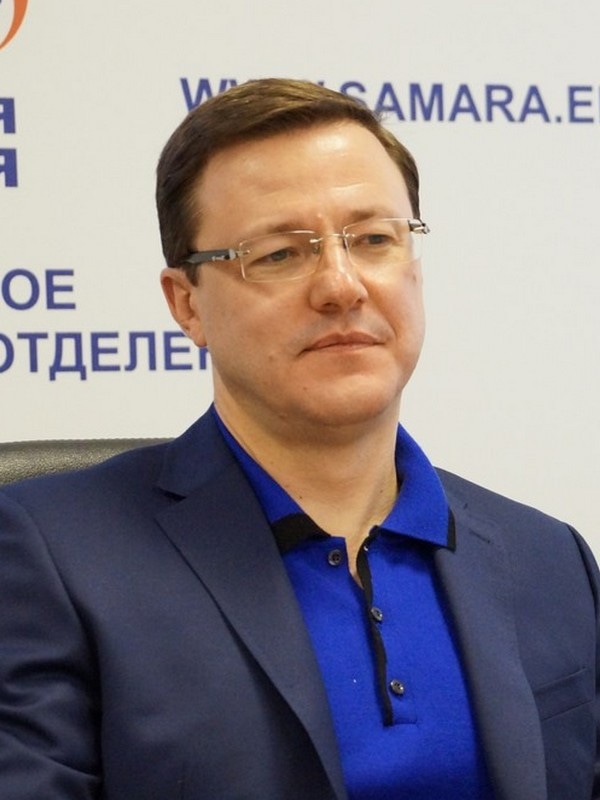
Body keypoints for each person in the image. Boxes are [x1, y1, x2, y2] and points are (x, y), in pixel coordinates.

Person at [0, 78, 598, 800]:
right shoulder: (53, 560)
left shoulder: (551, 559)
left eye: (374, 240)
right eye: (280, 254)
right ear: (187, 305)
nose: (342, 286)